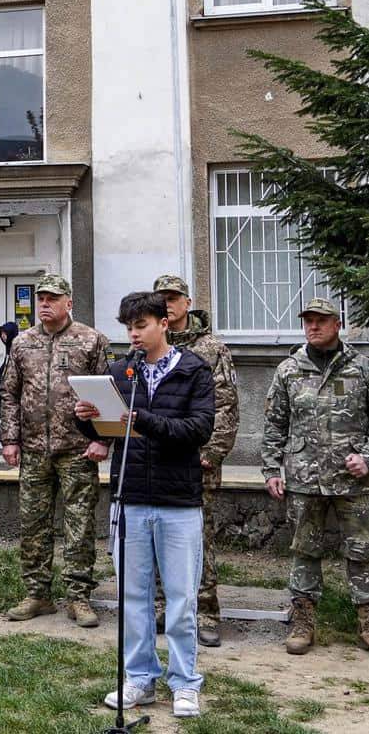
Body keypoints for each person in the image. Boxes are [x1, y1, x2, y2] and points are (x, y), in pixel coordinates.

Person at [74, 290, 214, 719]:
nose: (134, 334)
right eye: (129, 327)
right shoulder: (122, 371)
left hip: (177, 501)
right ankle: (139, 678)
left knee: (180, 597)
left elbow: (199, 429)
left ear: (164, 324)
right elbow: (110, 434)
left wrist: (145, 421)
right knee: (132, 597)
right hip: (130, 496)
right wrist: (87, 419)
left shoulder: (194, 370)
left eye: (141, 325)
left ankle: (185, 681)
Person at [261, 298, 369, 659]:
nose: (313, 327)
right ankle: (303, 621)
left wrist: (368, 457)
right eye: (308, 321)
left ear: (337, 324)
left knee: (362, 551)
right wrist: (271, 469)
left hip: (354, 482)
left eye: (321, 320)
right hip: (305, 479)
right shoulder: (289, 369)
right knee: (304, 550)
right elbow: (275, 424)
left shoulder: (365, 369)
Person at [0, 273, 111, 627]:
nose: (44, 304)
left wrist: (102, 439)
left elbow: (108, 393)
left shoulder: (91, 341)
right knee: (33, 525)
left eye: (52, 298)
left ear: (68, 303)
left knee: (79, 526)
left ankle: (79, 596)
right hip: (33, 449)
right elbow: (9, 394)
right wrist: (10, 439)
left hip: (78, 449)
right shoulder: (23, 343)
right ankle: (37, 593)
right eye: (40, 298)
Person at [153, 274, 240, 646]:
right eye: (161, 299)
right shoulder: (150, 344)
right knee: (158, 533)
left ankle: (205, 612)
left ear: (187, 303)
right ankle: (163, 607)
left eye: (173, 298)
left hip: (196, 461)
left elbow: (226, 406)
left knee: (198, 537)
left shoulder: (211, 349)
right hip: (157, 459)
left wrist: (210, 453)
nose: (167, 305)